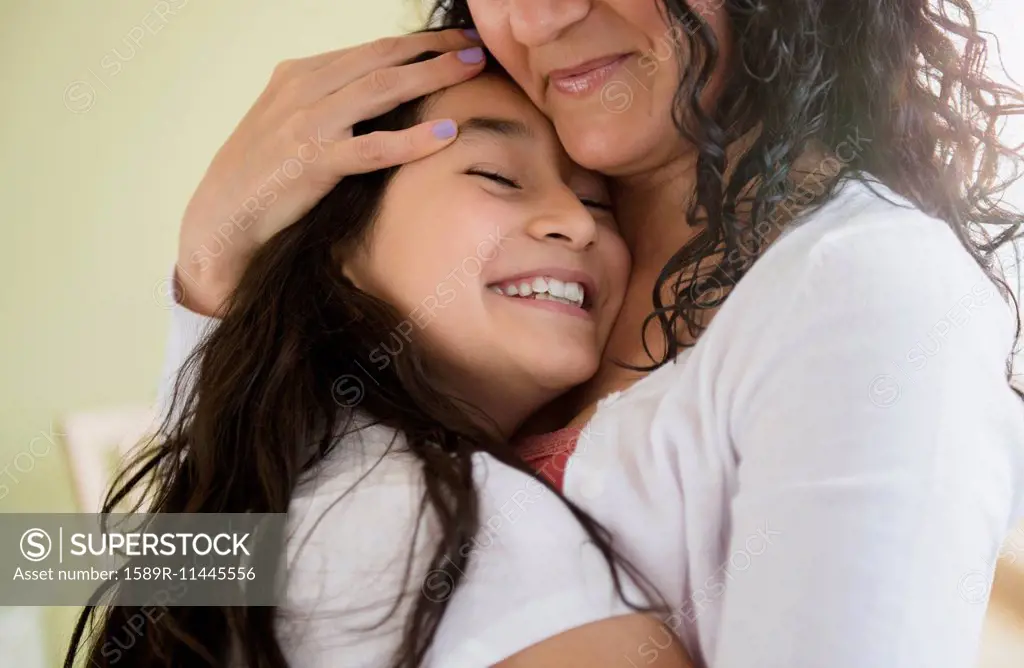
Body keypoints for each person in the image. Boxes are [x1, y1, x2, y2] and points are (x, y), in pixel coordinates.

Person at [102, 0, 1024, 665]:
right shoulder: (394, 405)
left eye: (587, 206)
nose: (538, 18)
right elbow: (186, 557)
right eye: (500, 179)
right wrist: (214, 267)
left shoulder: (870, 287)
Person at [62, 47, 694, 668]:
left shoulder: (281, 477)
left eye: (596, 202)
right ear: (336, 240)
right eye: (498, 176)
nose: (575, 224)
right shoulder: (452, 523)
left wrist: (210, 272)